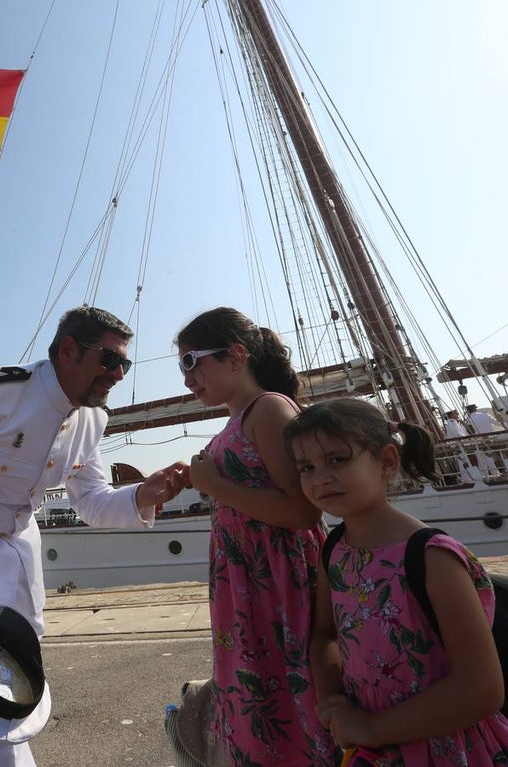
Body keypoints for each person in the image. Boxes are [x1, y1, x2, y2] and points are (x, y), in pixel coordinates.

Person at [0, 305, 190, 767]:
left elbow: (90, 499)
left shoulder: (92, 419)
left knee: (20, 670)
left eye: (124, 364)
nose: (117, 373)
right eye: (109, 360)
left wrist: (142, 495)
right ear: (68, 350)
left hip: (21, 545)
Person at [285, 399, 508, 766]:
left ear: (387, 462)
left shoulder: (431, 557)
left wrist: (373, 728)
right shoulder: (334, 550)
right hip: (373, 748)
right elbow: (325, 634)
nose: (321, 477)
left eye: (338, 459)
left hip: (447, 746)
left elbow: (482, 689)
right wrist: (332, 699)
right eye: (306, 467)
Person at [175, 307, 337, 767]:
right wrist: (196, 481)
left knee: (285, 689)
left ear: (236, 356)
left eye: (192, 362)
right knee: (257, 687)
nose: (187, 378)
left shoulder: (269, 408)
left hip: (277, 582)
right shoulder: (236, 420)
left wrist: (214, 485)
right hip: (244, 585)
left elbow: (303, 509)